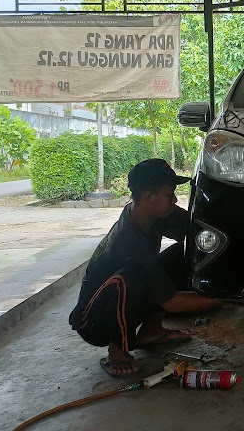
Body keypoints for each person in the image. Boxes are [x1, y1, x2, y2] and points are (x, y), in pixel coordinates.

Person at [69, 158, 221, 377]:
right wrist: (225, 297)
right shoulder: (128, 241)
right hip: (94, 320)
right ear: (149, 197)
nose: (175, 199)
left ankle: (151, 331)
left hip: (128, 294)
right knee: (130, 279)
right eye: (170, 194)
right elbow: (171, 302)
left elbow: (197, 230)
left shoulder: (149, 213)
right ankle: (117, 351)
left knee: (182, 253)